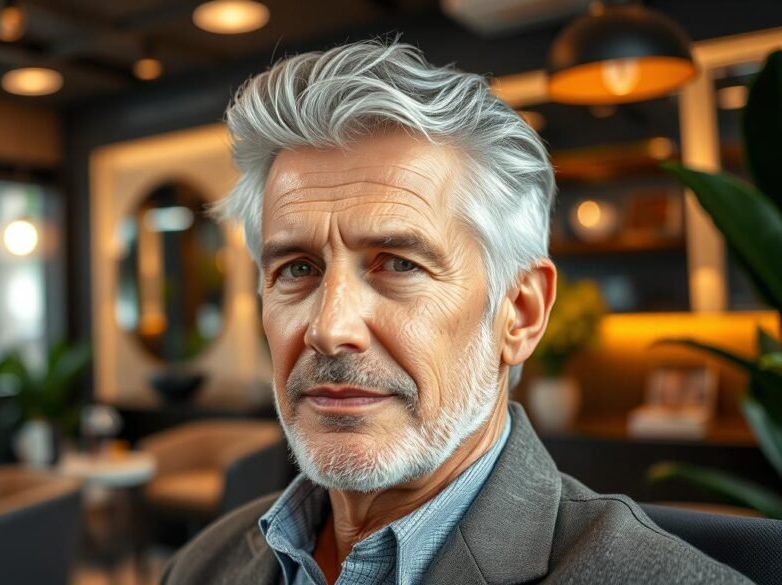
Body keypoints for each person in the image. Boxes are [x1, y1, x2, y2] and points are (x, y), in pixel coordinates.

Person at [160, 40, 751, 585]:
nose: (329, 327)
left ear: (518, 313)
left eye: (397, 264)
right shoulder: (200, 565)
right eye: (296, 269)